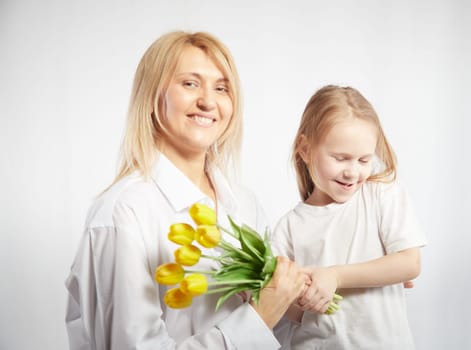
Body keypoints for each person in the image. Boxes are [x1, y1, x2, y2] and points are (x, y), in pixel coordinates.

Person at [65, 31, 307, 350]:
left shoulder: (244, 204)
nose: (208, 101)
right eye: (190, 83)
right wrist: (258, 318)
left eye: (221, 88)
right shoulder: (123, 211)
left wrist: (293, 304)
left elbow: (270, 335)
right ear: (153, 96)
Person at [271, 85, 427, 349]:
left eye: (363, 160)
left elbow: (410, 264)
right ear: (305, 149)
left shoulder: (382, 195)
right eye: (341, 158)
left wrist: (335, 277)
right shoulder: (289, 227)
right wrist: (302, 296)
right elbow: (294, 315)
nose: (352, 172)